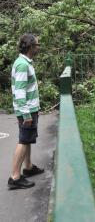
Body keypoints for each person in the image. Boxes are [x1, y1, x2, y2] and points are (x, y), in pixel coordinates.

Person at [8, 34, 44, 190]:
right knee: (23, 140)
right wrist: (27, 114)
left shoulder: (25, 62)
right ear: (30, 46)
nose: (38, 47)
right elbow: (20, 92)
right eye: (37, 45)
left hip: (29, 108)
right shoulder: (22, 64)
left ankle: (28, 167)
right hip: (26, 110)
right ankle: (15, 177)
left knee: (27, 139)